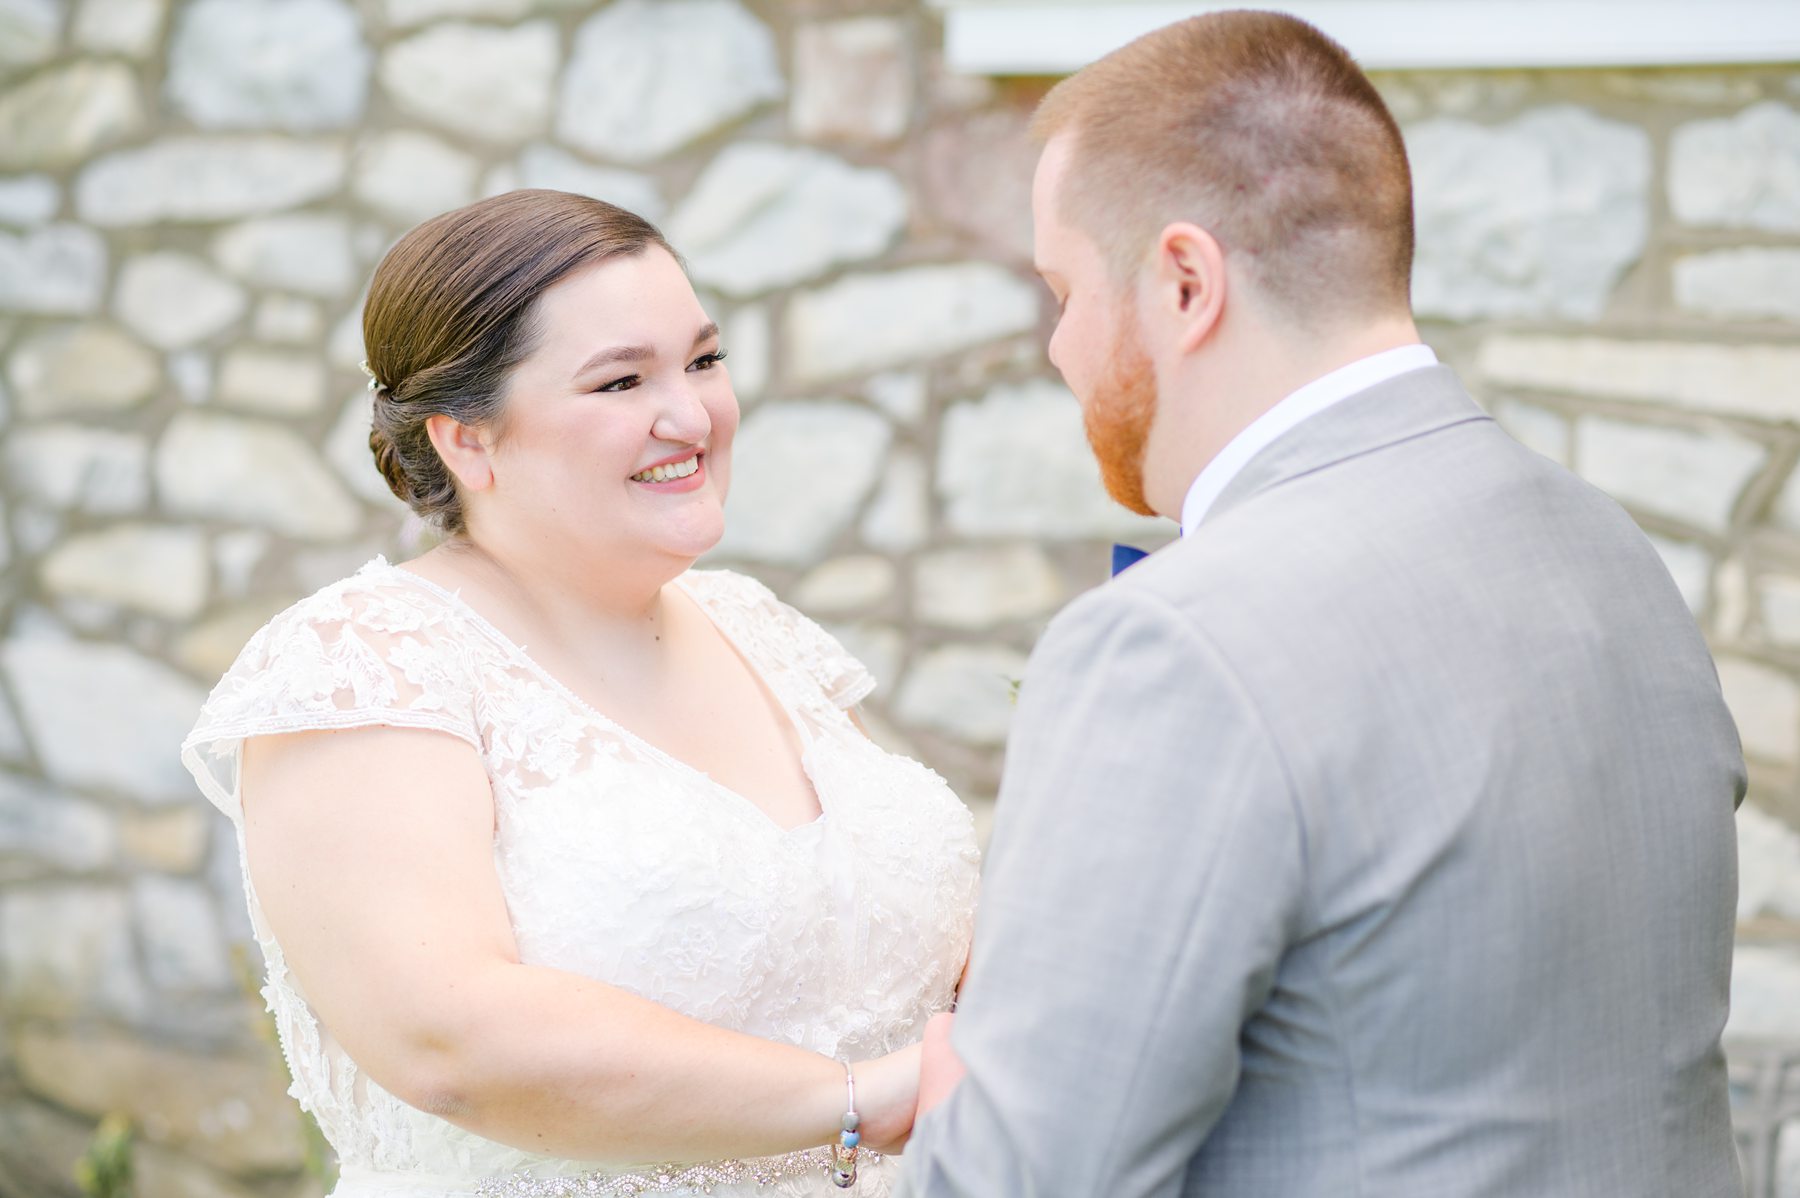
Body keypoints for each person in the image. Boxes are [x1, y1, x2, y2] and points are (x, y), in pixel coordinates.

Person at [901, 11, 1745, 1198]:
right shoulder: (1608, 549)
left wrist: (955, 1100)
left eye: (1064, 290)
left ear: (1186, 281)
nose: (1059, 348)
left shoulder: (1178, 641)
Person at [181, 189, 981, 1198]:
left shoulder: (760, 629)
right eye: (618, 383)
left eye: (702, 360)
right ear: (466, 438)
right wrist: (867, 1097)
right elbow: (448, 1036)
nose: (690, 414)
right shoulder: (364, 665)